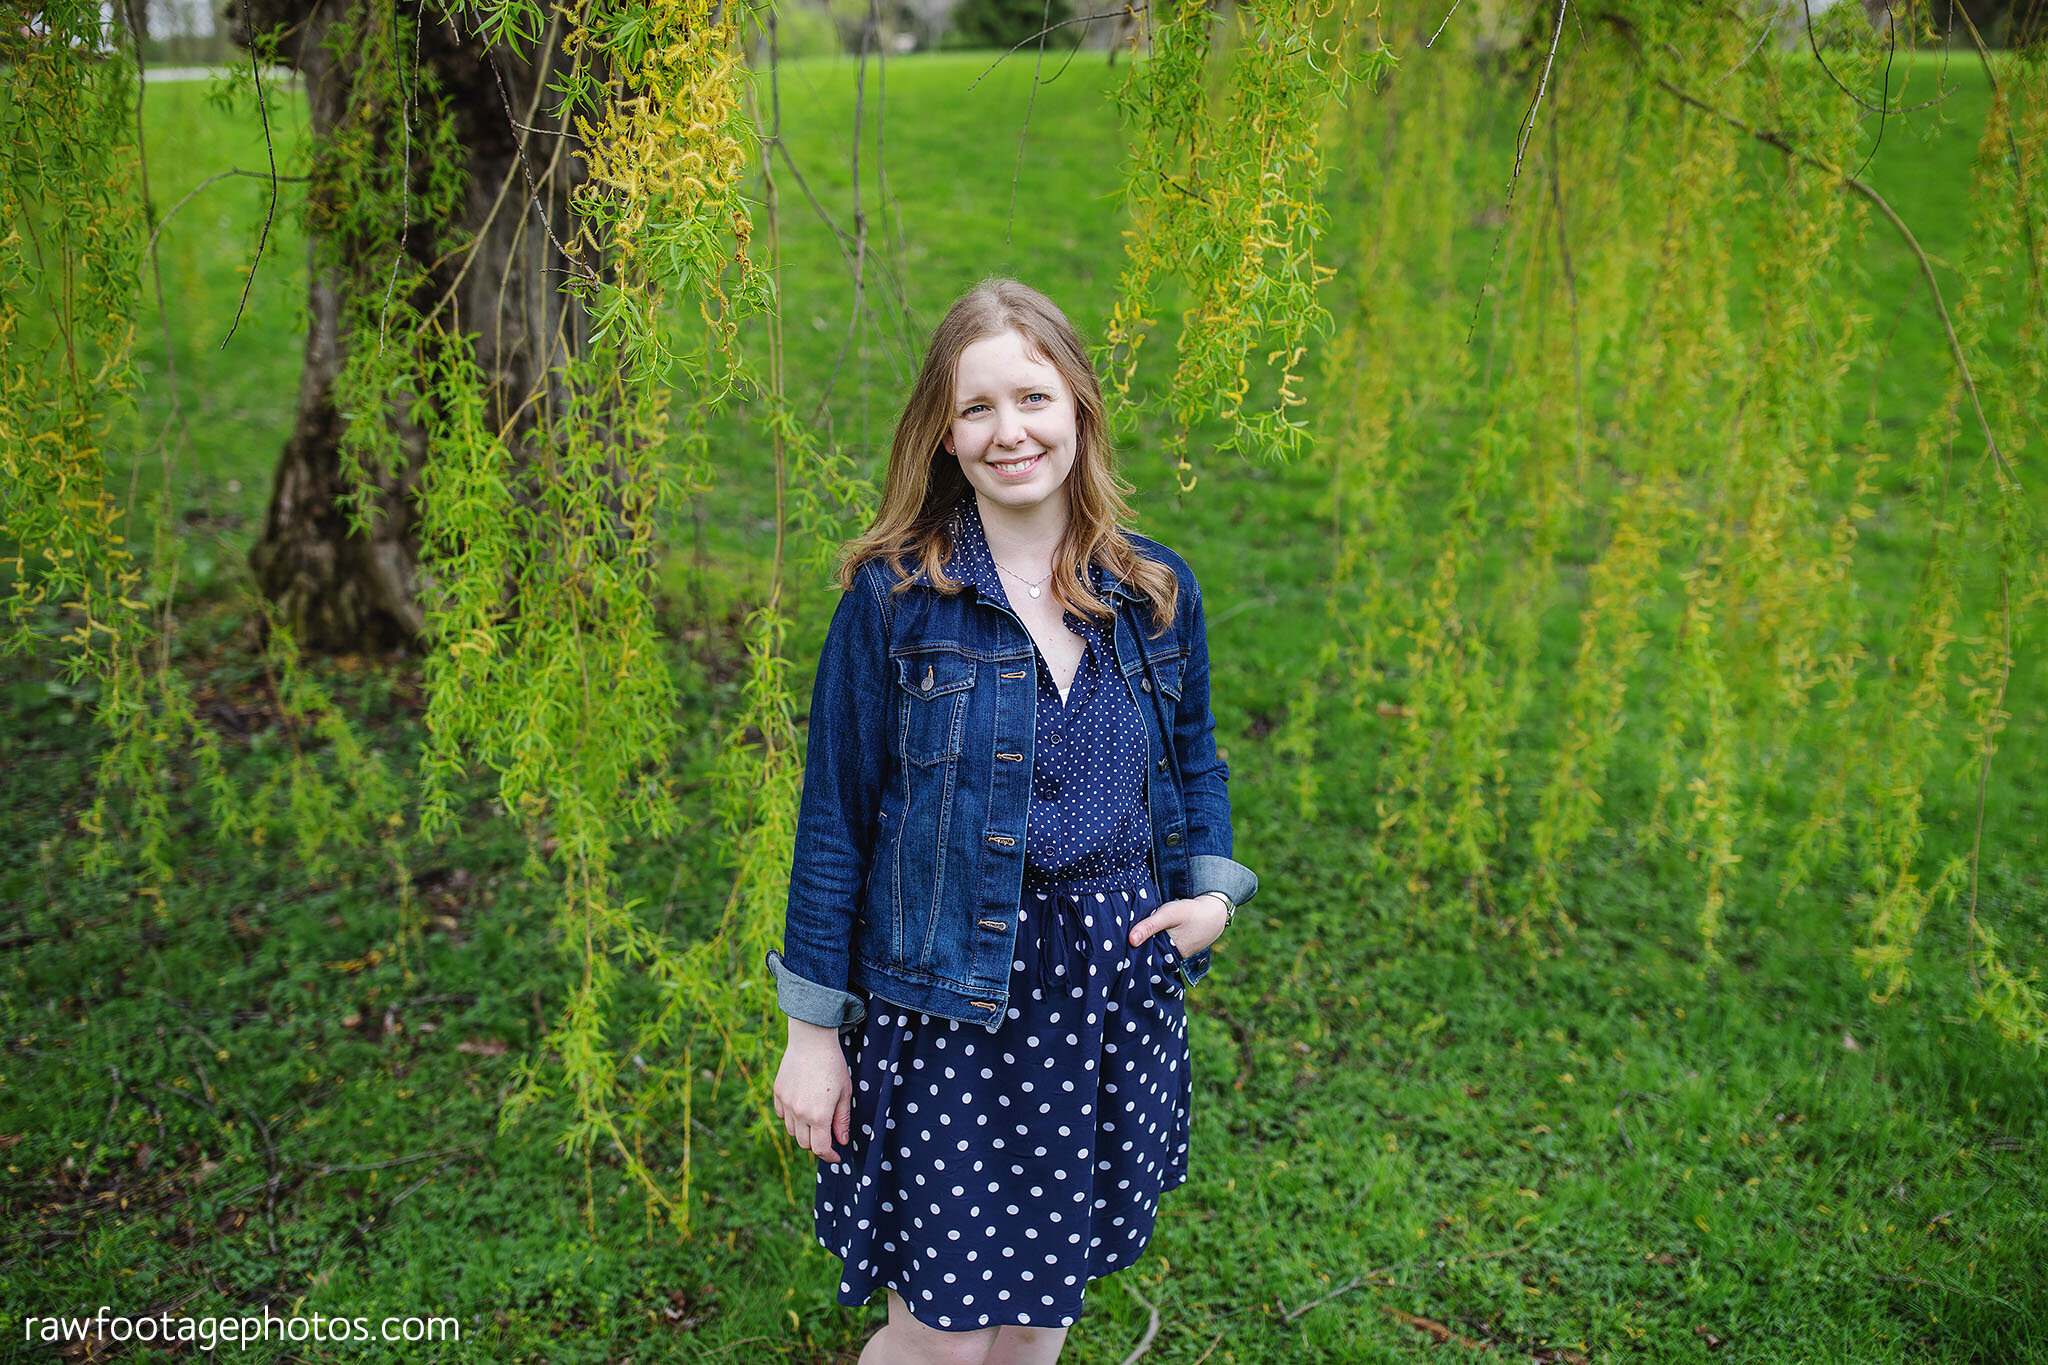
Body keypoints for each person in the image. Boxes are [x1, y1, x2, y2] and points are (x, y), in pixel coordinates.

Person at [768, 277, 1258, 1365]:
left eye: (1032, 399)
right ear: (943, 435)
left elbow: (1194, 759)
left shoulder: (1151, 591)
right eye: (977, 408)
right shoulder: (897, 603)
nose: (1009, 432)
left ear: (1077, 408)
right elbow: (835, 821)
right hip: (949, 1002)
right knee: (938, 1335)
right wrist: (811, 1034)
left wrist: (1210, 895)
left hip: (1100, 994)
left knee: (1039, 1318)